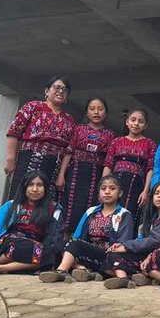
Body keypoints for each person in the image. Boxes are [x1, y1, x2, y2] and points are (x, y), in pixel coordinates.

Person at [42, 175, 134, 283]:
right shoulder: (91, 211)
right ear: (99, 193)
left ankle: (69, 271)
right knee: (64, 244)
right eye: (103, 188)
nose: (107, 192)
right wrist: (72, 246)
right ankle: (70, 271)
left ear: (120, 193)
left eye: (112, 188)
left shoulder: (124, 214)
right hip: (89, 253)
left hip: (109, 255)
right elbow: (78, 235)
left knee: (112, 256)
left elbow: (124, 242)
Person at [0, 170, 63, 277]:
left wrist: (50, 251)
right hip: (10, 242)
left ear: (45, 188)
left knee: (51, 255)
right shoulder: (11, 206)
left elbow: (55, 237)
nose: (35, 189)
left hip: (35, 247)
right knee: (20, 245)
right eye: (31, 185)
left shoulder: (53, 209)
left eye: (39, 185)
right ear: (24, 187)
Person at [4, 77, 76, 200]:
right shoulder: (33, 107)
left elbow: (68, 149)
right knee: (20, 197)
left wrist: (61, 174)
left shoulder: (69, 119)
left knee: (45, 203)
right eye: (57, 87)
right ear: (47, 91)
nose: (60, 91)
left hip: (53, 165)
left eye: (64, 90)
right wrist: (10, 159)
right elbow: (14, 131)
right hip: (28, 159)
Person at [99, 183, 160, 289]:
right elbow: (141, 240)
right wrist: (122, 245)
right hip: (146, 255)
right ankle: (124, 279)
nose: (159, 196)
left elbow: (156, 240)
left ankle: (134, 278)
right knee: (112, 254)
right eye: (156, 193)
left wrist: (127, 246)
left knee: (145, 262)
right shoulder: (151, 219)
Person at [56, 97, 115, 231]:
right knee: (68, 208)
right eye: (92, 109)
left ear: (105, 113)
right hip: (75, 173)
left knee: (89, 208)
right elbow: (69, 151)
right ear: (87, 112)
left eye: (100, 109)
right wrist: (61, 175)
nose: (96, 112)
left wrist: (104, 184)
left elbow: (108, 161)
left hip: (95, 175)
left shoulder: (110, 134)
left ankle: (80, 241)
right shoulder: (79, 129)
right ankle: (63, 243)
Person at [103, 109, 157, 222]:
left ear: (145, 125)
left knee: (129, 217)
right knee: (109, 214)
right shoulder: (116, 141)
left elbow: (150, 169)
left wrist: (146, 191)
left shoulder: (149, 144)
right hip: (115, 183)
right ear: (127, 122)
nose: (136, 124)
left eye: (140, 121)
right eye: (133, 120)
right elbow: (108, 165)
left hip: (136, 186)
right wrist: (103, 187)